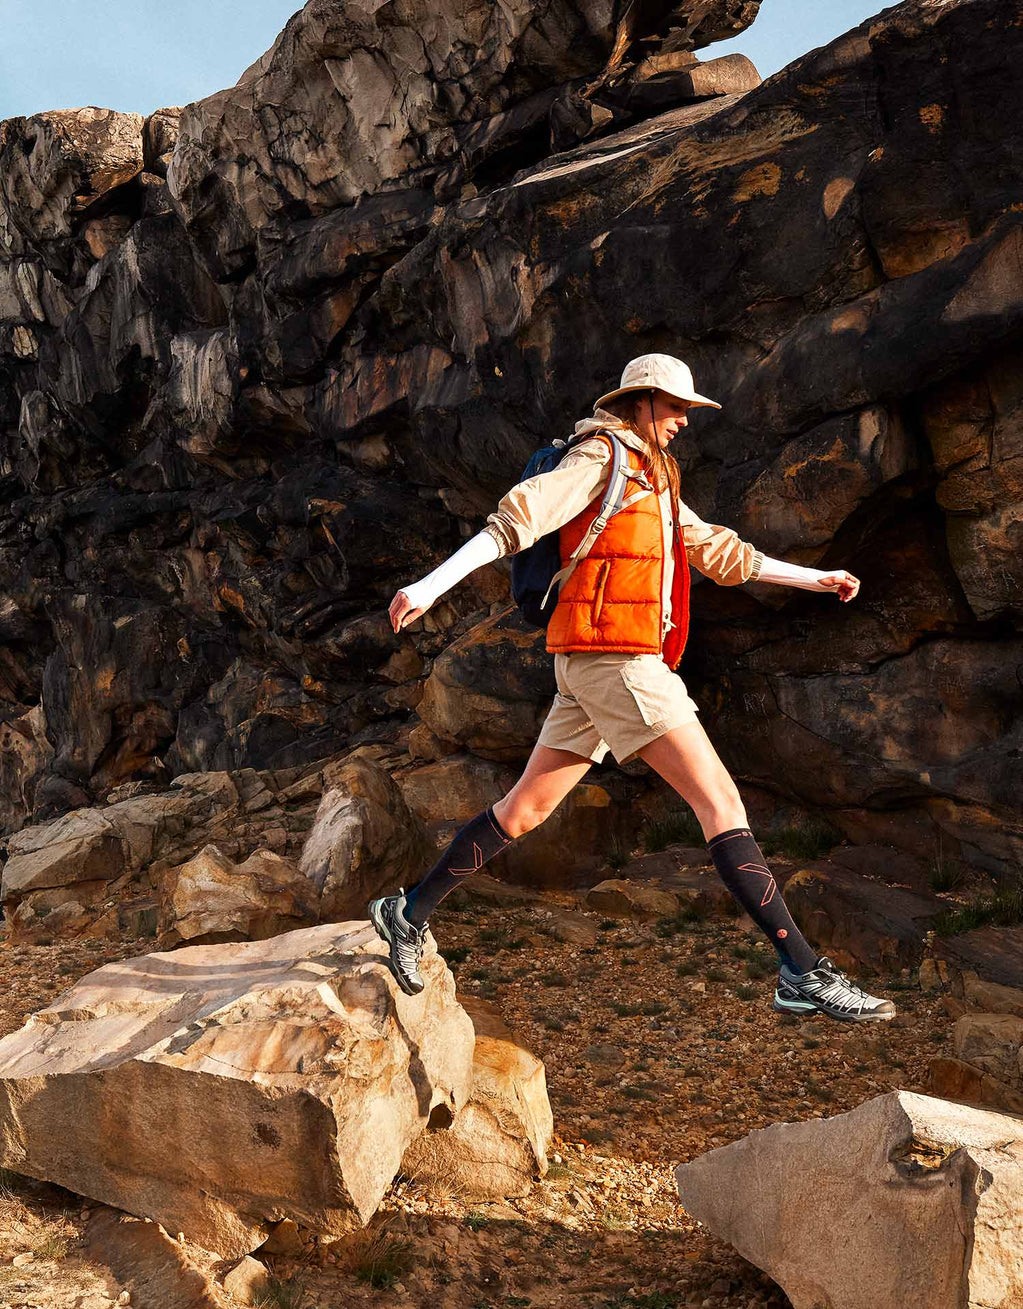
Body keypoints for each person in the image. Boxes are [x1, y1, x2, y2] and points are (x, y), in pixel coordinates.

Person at [369, 355, 895, 1023]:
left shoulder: (652, 476)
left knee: (523, 811)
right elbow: (516, 518)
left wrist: (811, 577)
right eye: (673, 407)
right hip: (617, 661)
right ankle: (801, 971)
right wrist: (429, 585)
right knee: (720, 799)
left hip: (590, 664)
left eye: (686, 410)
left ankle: (405, 912)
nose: (682, 420)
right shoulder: (600, 456)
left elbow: (714, 549)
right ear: (639, 403)